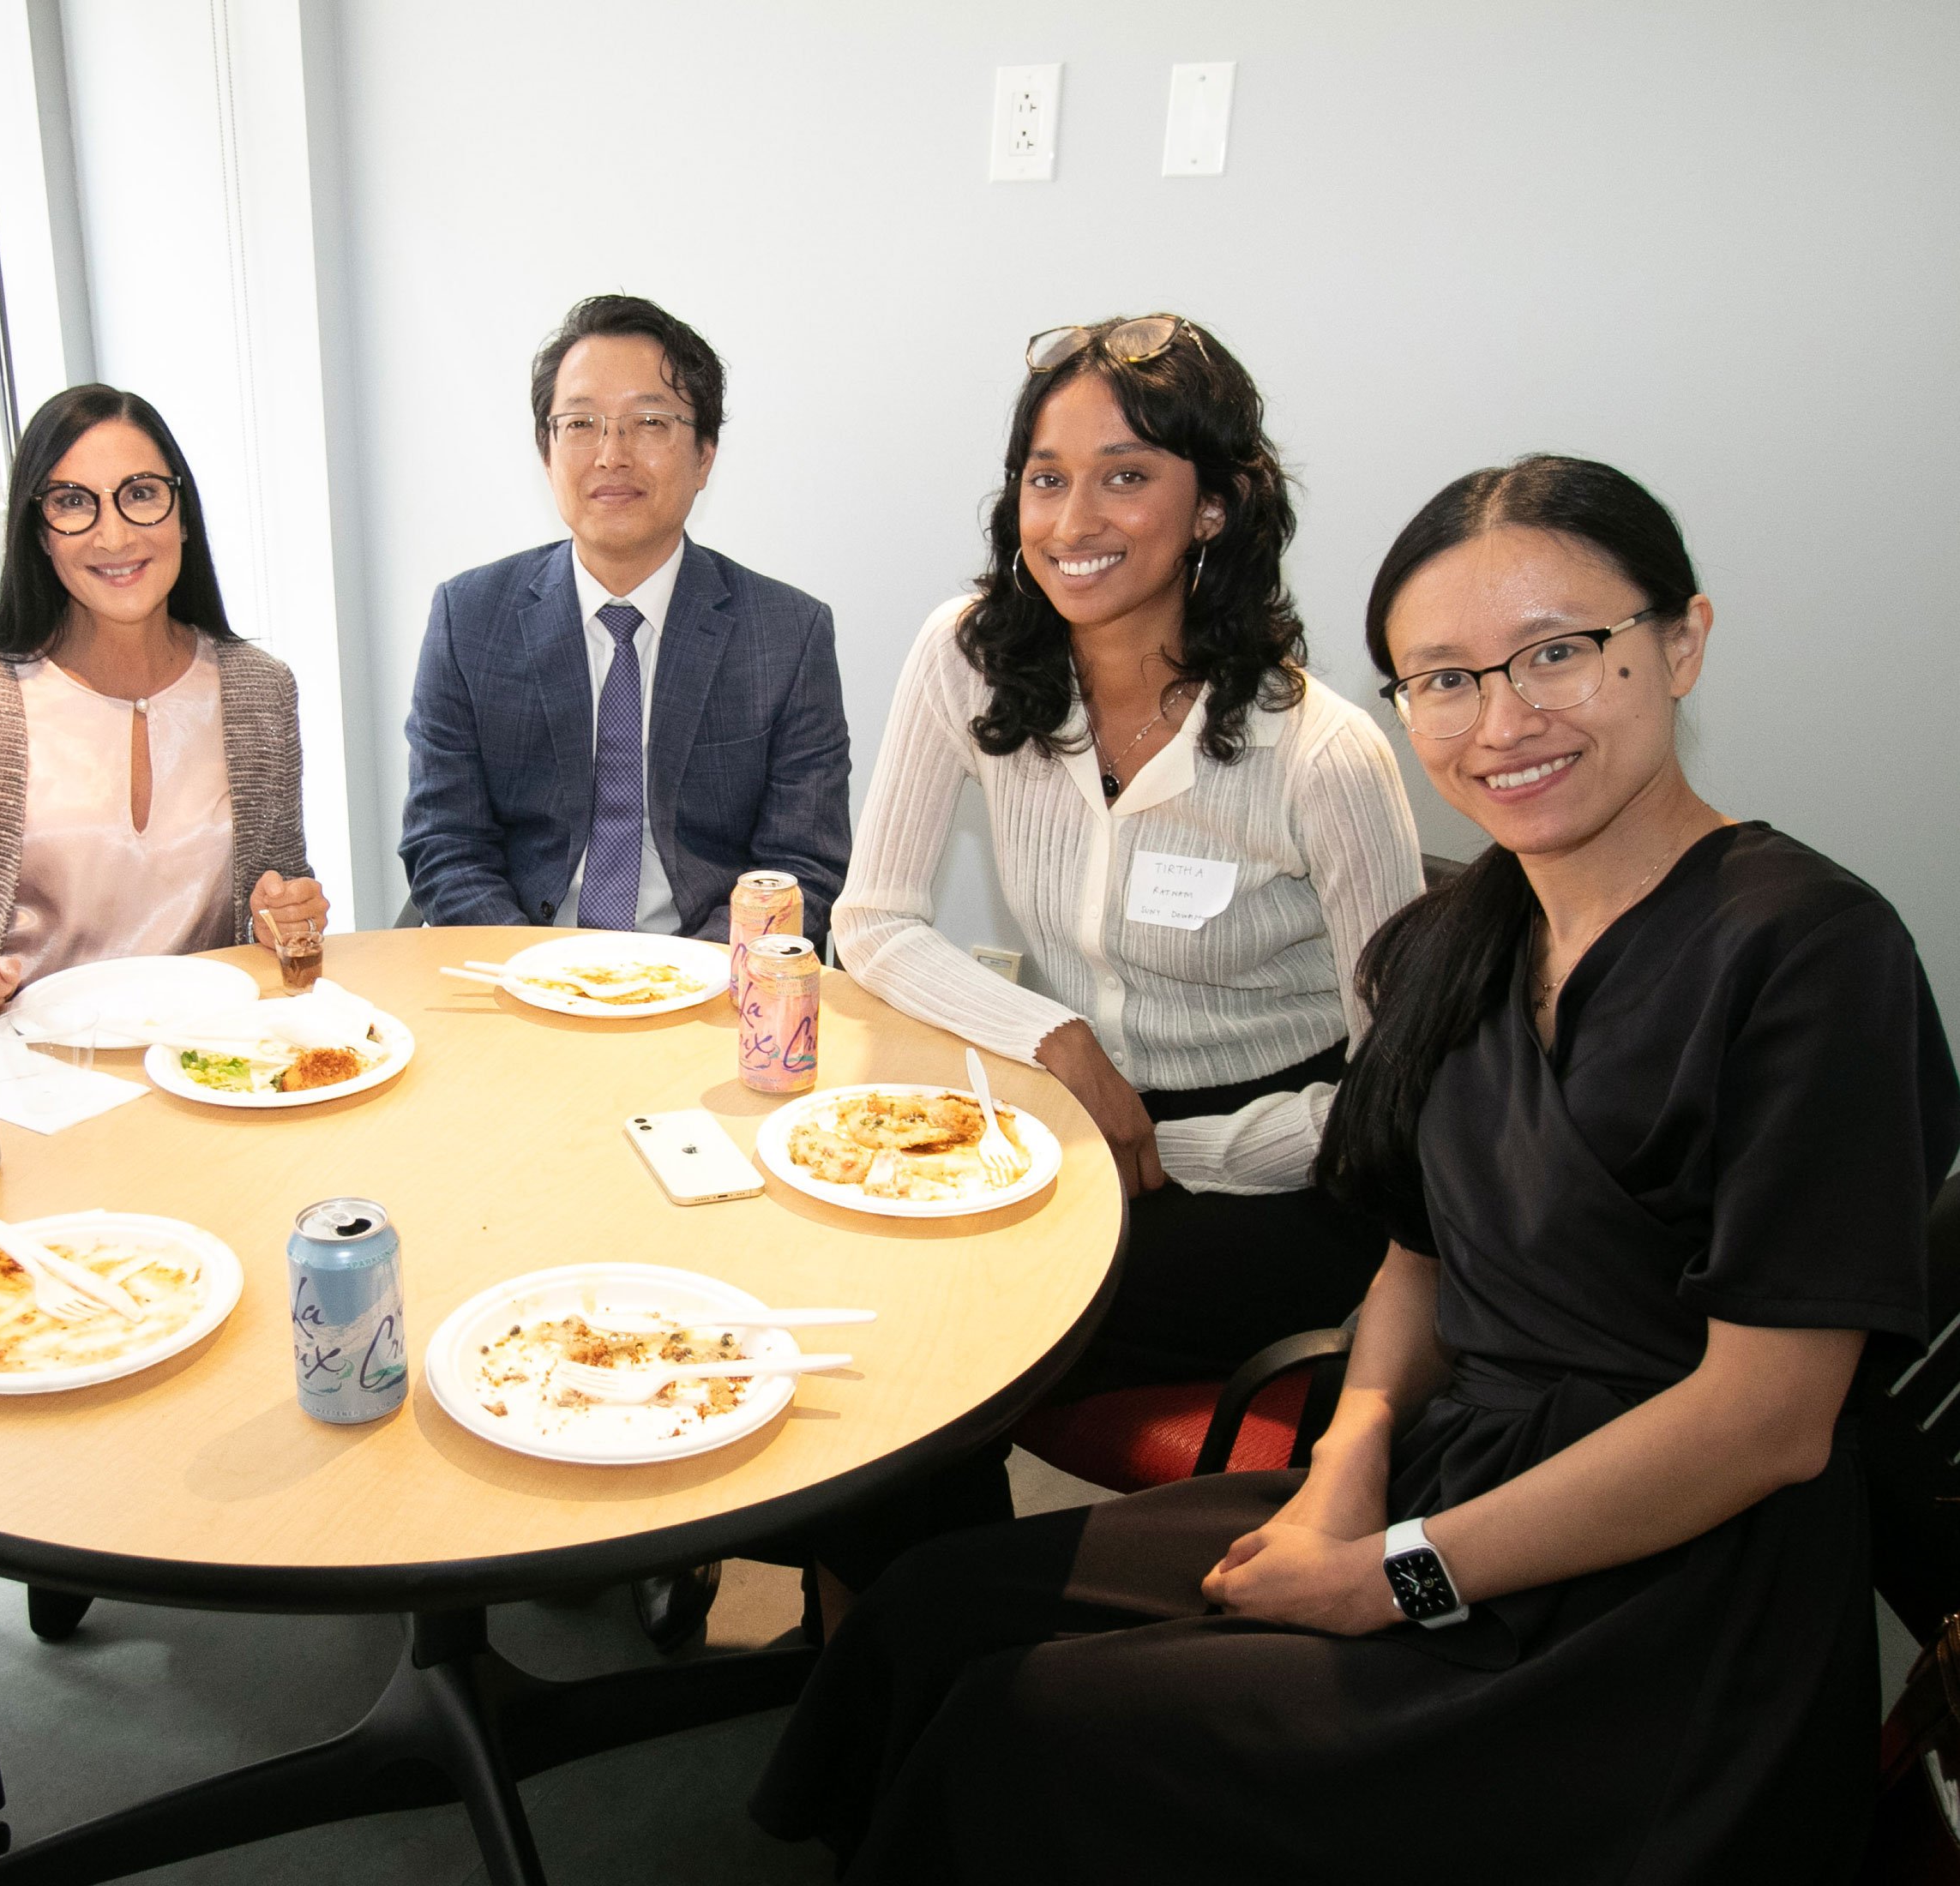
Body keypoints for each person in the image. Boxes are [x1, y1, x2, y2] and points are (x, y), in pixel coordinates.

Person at [750, 454, 1959, 1882]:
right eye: (1442, 680)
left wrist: (1398, 1573)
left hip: (1664, 1596)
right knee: (927, 1614)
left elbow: (1767, 1424)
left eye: (1557, 654)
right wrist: (1344, 1472)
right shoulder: (1466, 938)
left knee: (1031, 1728)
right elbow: (1416, 1256)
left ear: (1681, 641)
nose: (1500, 720)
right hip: (1448, 1472)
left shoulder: (1810, 956)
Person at [839, 314, 1422, 1411]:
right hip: (1074, 1106)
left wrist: (1177, 1148)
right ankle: (883, 1590)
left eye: (1126, 477)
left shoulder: (1324, 755)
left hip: (1286, 1162)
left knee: (958, 1333)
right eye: (1046, 478)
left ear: (1213, 506)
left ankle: (959, 1587)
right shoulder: (966, 657)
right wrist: (1049, 1039)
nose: (1073, 521)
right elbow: (871, 922)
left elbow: (1397, 1100)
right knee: (867, 1268)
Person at [0, 384, 324, 1022]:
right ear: (40, 533)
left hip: (204, 1054)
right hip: (20, 1070)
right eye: (73, 503)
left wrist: (290, 915)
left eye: (140, 495)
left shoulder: (260, 690)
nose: (113, 536)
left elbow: (278, 896)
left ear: (181, 514)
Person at [398, 293, 851, 944]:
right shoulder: (467, 619)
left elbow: (802, 867)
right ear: (547, 454)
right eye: (581, 424)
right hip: (524, 973)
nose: (612, 455)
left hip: (707, 985)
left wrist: (676, 981)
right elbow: (444, 842)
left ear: (704, 456)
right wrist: (543, 970)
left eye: (649, 422)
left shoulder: (786, 635)